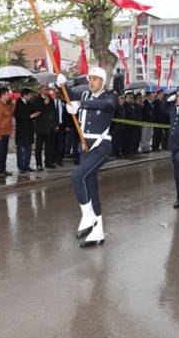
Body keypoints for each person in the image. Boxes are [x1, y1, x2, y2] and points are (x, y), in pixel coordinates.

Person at [57, 67, 117, 248]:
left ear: (103, 82)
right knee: (90, 186)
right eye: (90, 78)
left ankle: (88, 216)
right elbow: (68, 93)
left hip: (101, 146)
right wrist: (61, 84)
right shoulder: (85, 96)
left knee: (77, 176)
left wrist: (80, 106)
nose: (92, 82)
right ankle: (98, 231)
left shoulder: (110, 97)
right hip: (85, 147)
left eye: (96, 79)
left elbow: (108, 106)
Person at [32, 85, 58, 171]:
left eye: (48, 90)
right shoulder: (36, 100)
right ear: (41, 90)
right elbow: (36, 111)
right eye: (45, 90)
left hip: (50, 127)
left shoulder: (51, 99)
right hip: (40, 127)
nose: (47, 91)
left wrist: (56, 124)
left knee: (49, 146)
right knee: (39, 147)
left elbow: (54, 112)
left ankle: (48, 162)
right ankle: (39, 164)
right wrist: (44, 104)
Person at [14, 88, 39, 173]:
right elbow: (18, 116)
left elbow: (34, 110)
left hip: (29, 129)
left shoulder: (29, 103)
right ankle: (21, 166)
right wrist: (30, 116)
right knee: (21, 149)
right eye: (29, 95)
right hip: (21, 130)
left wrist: (35, 114)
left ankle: (26, 165)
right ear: (25, 95)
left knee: (28, 148)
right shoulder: (18, 103)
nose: (30, 96)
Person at [0, 87, 15, 178]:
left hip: (6, 132)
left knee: (4, 152)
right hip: (0, 132)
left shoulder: (5, 104)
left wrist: (12, 105)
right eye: (8, 94)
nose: (9, 96)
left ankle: (2, 169)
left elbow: (10, 114)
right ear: (3, 94)